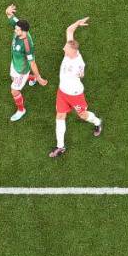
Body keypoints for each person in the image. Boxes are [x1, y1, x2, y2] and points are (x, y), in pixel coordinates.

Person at [48, 18, 103, 158]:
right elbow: (69, 30)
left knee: (83, 115)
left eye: (65, 49)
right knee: (60, 116)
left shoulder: (78, 62)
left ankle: (98, 122)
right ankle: (60, 146)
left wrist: (81, 73)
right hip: (62, 93)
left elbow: (82, 73)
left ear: (73, 51)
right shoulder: (69, 50)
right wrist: (78, 23)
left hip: (75, 95)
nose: (63, 49)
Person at [4, 4, 48, 121]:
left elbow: (32, 63)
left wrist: (39, 77)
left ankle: (21, 110)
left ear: (24, 31)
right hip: (15, 64)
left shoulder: (27, 45)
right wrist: (8, 11)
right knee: (13, 79)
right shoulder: (19, 26)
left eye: (17, 30)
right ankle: (32, 79)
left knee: (14, 90)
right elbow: (10, 15)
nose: (15, 29)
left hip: (22, 70)